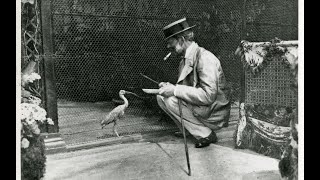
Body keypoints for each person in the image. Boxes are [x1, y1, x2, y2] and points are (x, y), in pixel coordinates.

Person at [156, 17, 231, 148]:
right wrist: (170, 87)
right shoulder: (184, 60)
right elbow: (187, 90)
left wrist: (174, 90)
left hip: (214, 112)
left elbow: (208, 96)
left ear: (181, 40)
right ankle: (189, 130)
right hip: (202, 108)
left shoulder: (205, 57)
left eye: (170, 42)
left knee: (170, 100)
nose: (168, 46)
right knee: (162, 97)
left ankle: (205, 134)